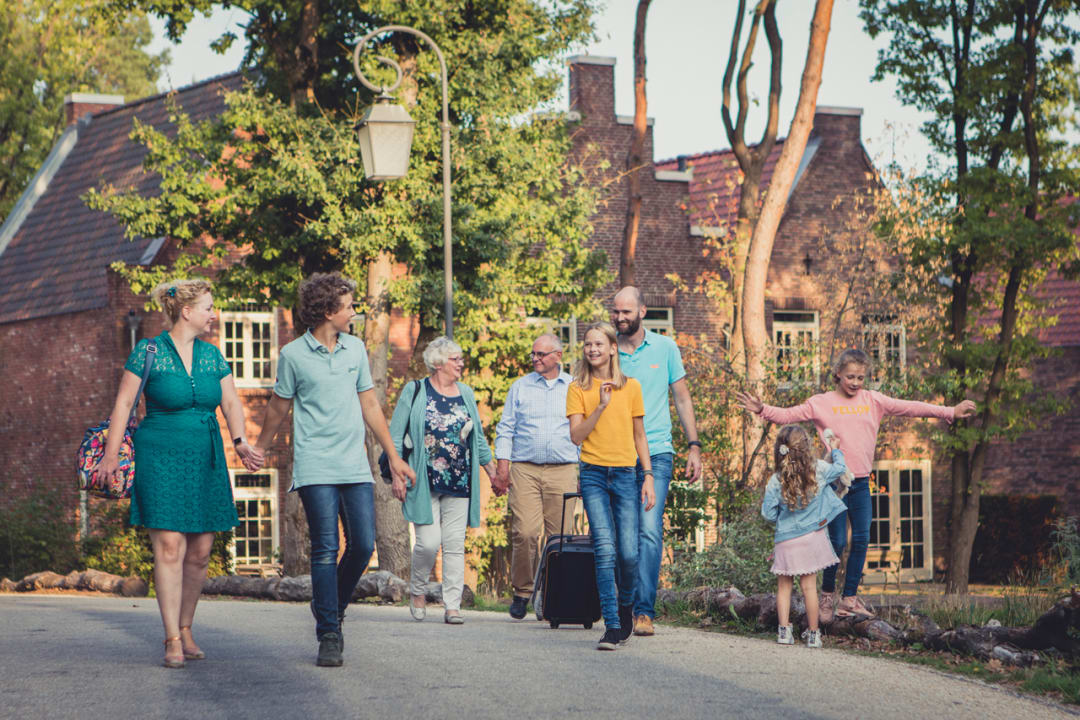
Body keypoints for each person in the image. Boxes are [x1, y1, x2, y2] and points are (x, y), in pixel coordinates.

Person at [94, 278, 261, 669]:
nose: (213, 314)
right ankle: (171, 637)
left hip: (205, 456)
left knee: (201, 551)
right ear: (187, 311)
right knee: (170, 546)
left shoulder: (214, 356)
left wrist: (239, 441)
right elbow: (123, 403)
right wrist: (111, 455)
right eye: (208, 307)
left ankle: (186, 627)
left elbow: (232, 401)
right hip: (159, 455)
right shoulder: (147, 351)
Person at [738, 348, 977, 620]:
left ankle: (848, 599)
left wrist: (950, 411)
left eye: (861, 378)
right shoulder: (821, 402)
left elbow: (910, 407)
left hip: (861, 483)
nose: (855, 382)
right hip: (833, 485)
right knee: (837, 541)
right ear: (838, 374)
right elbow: (789, 415)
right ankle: (827, 596)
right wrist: (762, 409)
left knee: (862, 539)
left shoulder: (873, 400)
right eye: (850, 376)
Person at [253, 272, 413, 668]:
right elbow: (278, 407)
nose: (354, 313)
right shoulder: (293, 356)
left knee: (363, 544)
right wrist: (259, 448)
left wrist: (392, 455)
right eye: (349, 307)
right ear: (328, 311)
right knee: (325, 549)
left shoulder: (355, 350)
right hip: (316, 466)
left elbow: (371, 405)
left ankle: (329, 604)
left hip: (354, 464)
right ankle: (329, 631)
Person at [611, 287, 702, 637]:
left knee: (649, 530)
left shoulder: (665, 348)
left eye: (627, 312)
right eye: (616, 311)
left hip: (659, 451)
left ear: (643, 311)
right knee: (623, 536)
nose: (620, 317)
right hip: (615, 453)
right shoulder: (607, 349)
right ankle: (622, 606)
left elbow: (681, 397)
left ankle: (644, 612)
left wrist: (694, 445)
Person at [391, 336, 496, 626]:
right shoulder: (415, 391)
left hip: (460, 480)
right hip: (422, 481)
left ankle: (452, 605)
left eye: (461, 358)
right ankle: (418, 590)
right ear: (438, 363)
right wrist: (398, 475)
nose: (461, 363)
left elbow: (479, 440)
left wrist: (493, 472)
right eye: (455, 359)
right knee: (427, 543)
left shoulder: (465, 393)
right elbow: (395, 437)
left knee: (453, 544)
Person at [567, 322, 656, 651]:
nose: (592, 349)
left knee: (629, 554)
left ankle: (626, 607)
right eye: (588, 344)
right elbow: (576, 436)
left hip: (624, 474)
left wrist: (647, 475)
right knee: (605, 549)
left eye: (598, 344)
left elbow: (639, 435)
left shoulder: (631, 387)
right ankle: (612, 626)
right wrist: (600, 405)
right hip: (592, 474)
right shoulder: (578, 388)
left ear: (612, 348)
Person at [493, 333, 580, 620]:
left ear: (557, 355)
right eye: (533, 354)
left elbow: (585, 430)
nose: (535, 359)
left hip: (563, 468)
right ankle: (522, 592)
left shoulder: (574, 386)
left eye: (541, 354)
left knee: (560, 539)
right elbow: (505, 428)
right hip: (525, 468)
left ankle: (551, 595)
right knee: (525, 532)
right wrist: (502, 466)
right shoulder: (520, 387)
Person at [761, 424, 848, 649]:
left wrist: (783, 514)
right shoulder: (818, 469)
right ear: (806, 447)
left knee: (784, 588)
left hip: (786, 540)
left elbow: (768, 514)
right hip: (811, 537)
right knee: (809, 588)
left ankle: (783, 631)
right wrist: (834, 449)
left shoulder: (776, 480)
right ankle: (813, 634)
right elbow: (840, 469)